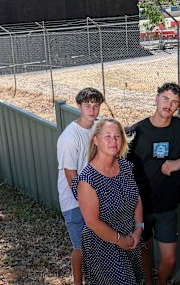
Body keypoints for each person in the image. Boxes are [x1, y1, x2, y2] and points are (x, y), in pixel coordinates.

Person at [128, 83, 180, 285]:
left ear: (177, 107)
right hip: (141, 208)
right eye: (165, 98)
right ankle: (149, 281)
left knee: (169, 258)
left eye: (174, 102)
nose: (169, 105)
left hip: (168, 208)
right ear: (156, 99)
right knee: (144, 249)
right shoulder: (137, 132)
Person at [73, 118, 144, 284]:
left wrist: (138, 229)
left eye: (117, 136)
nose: (113, 141)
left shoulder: (126, 166)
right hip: (102, 245)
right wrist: (120, 240)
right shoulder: (87, 179)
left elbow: (136, 197)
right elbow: (92, 223)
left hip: (130, 237)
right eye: (108, 136)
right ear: (96, 140)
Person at [57, 87, 104, 285]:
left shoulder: (97, 128)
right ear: (79, 107)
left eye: (96, 106)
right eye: (87, 106)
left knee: (98, 245)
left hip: (93, 196)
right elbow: (70, 175)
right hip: (75, 201)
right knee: (81, 247)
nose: (92, 110)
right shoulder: (70, 137)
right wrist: (85, 203)